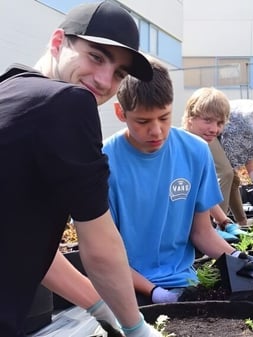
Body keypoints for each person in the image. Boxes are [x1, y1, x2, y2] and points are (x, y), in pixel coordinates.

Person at [0, 1, 161, 336]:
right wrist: (136, 328)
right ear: (58, 42)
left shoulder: (9, 90)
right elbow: (99, 246)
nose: (104, 81)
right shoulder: (68, 103)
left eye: (119, 73)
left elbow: (27, 243)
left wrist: (100, 307)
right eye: (96, 56)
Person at [104, 58, 253, 305]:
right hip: (125, 289)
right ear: (120, 113)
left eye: (164, 117)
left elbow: (201, 232)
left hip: (184, 284)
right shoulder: (104, 163)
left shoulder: (196, 151)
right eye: (143, 121)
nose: (156, 131)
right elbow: (104, 257)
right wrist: (153, 291)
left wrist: (237, 258)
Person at [181, 87, 248, 237]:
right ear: (190, 117)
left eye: (219, 123)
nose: (214, 129)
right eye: (207, 120)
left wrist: (224, 222)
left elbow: (202, 193)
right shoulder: (180, 148)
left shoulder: (201, 149)